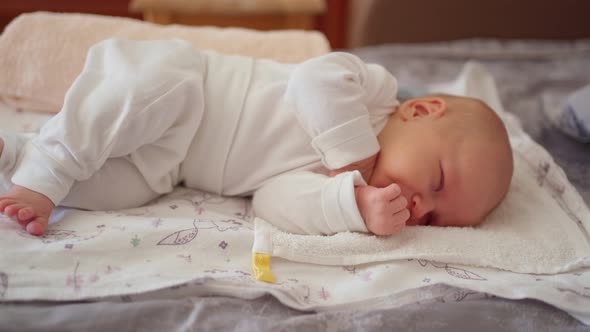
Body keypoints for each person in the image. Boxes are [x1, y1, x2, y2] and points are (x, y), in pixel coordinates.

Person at [0, 38, 513, 237]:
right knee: (137, 98)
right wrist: (353, 158)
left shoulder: (349, 189)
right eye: (439, 181)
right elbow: (313, 80)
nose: (422, 207)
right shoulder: (373, 93)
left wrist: (348, 205)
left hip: (171, 167)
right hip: (190, 88)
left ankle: (15, 154)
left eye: (438, 218)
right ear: (422, 110)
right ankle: (46, 168)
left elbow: (272, 200)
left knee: (121, 191)